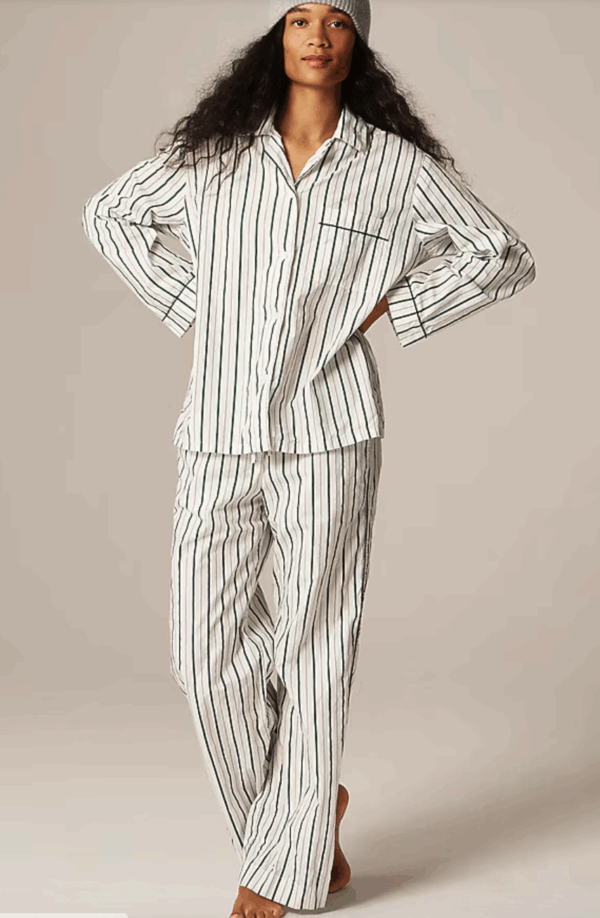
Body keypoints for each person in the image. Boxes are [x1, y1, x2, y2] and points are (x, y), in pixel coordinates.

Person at [81, 2, 536, 915]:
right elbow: (111, 216)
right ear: (275, 37)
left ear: (358, 40)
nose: (317, 34)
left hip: (331, 428)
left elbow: (501, 253)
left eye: (336, 18)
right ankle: (304, 813)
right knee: (202, 656)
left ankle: (278, 871)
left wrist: (393, 307)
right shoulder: (214, 155)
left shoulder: (393, 167)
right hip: (216, 428)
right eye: (297, 17)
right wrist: (200, 309)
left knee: (316, 642)